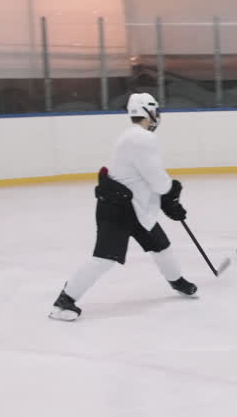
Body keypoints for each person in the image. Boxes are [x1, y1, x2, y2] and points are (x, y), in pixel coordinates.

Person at [49, 92, 197, 321]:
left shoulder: (133, 136)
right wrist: (171, 192)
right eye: (155, 111)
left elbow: (145, 179)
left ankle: (177, 281)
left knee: (160, 245)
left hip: (134, 208)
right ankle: (63, 302)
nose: (157, 116)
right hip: (118, 210)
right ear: (148, 112)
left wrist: (168, 197)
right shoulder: (141, 138)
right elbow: (156, 179)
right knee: (104, 258)